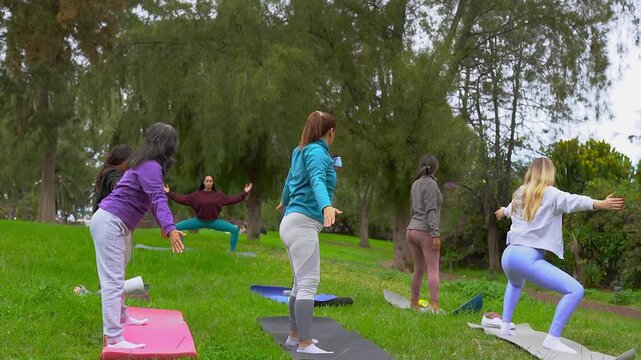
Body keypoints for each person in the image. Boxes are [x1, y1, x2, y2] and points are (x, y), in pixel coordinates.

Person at [495, 157, 624, 354]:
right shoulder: (551, 194)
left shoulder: (521, 193)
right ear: (549, 173)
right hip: (526, 257)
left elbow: (509, 209)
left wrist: (501, 212)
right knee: (575, 290)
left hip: (509, 255)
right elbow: (575, 200)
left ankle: (505, 327)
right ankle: (552, 338)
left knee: (514, 284)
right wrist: (601, 203)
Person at [90, 123, 185, 349]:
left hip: (116, 223)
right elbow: (158, 199)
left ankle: (122, 317)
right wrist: (171, 228)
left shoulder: (144, 165)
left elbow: (150, 198)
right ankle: (113, 337)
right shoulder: (150, 166)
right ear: (168, 147)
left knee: (118, 275)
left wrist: (164, 226)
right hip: (110, 222)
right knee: (113, 281)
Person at [277, 110, 341, 355]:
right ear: (331, 131)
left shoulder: (300, 150)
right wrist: (325, 205)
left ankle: (294, 337)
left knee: (298, 284)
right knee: (308, 284)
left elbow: (289, 180)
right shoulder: (316, 152)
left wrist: (284, 200)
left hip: (291, 221)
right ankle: (305, 343)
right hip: (303, 224)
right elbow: (316, 179)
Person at [164, 176, 252, 252]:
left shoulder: (219, 196)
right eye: (207, 181)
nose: (209, 183)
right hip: (199, 221)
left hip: (214, 222)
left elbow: (233, 199)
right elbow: (181, 199)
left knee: (234, 230)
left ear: (213, 183)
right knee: (177, 227)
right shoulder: (196, 195)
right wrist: (168, 193)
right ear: (203, 182)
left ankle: (232, 252)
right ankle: (180, 249)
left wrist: (244, 192)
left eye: (211, 181)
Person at [406, 154, 444, 314]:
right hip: (425, 231)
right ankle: (434, 305)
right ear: (434, 167)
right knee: (433, 269)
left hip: (412, 230)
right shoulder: (431, 184)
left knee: (418, 269)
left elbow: (413, 209)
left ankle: (414, 303)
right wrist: (435, 234)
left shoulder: (415, 184)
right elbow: (430, 210)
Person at [93, 144, 133, 212]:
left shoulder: (108, 171)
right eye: (130, 161)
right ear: (122, 159)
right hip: (105, 217)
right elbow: (118, 185)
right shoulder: (114, 172)